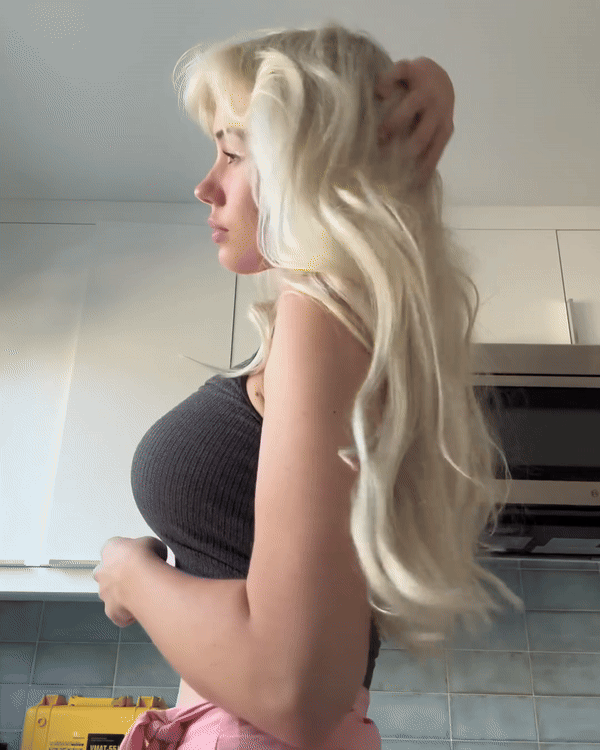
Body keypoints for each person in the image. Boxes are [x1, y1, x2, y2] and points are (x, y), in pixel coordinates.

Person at [103, 19, 521, 750]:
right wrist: (403, 95)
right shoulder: (334, 318)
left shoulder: (322, 310)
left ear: (309, 163)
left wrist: (129, 576)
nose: (205, 185)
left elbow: (292, 690)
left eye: (233, 151)